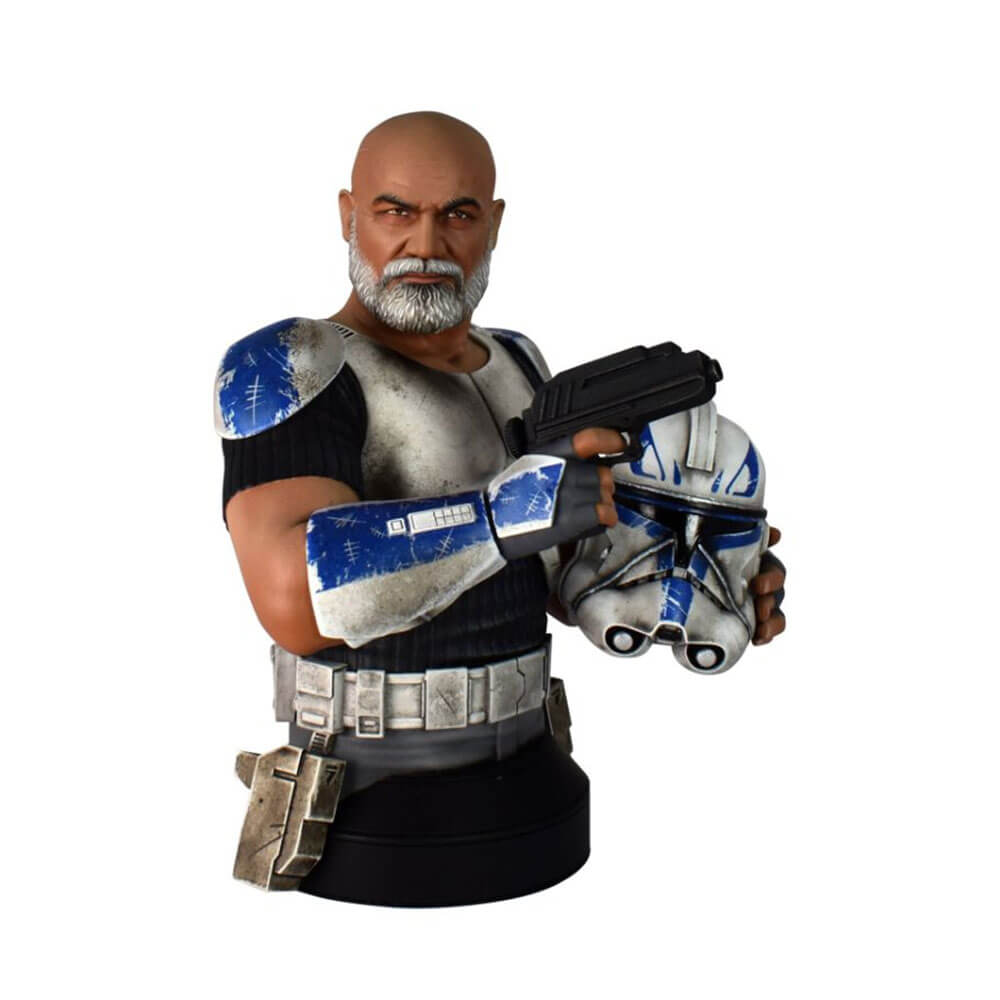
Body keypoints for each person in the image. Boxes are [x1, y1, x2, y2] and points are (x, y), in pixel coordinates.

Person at [215, 111, 786, 905]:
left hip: (533, 770)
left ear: (494, 223)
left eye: (457, 214)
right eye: (394, 211)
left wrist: (691, 566)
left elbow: (554, 570)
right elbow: (293, 597)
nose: (425, 243)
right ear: (348, 215)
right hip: (370, 796)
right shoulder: (291, 363)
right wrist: (497, 517)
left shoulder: (517, 361)